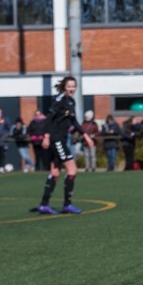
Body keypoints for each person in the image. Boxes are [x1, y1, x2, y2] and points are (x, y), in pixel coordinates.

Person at [31, 76, 93, 215]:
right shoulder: (59, 100)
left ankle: (44, 205)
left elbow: (74, 121)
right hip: (56, 138)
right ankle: (67, 204)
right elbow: (49, 118)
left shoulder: (71, 101)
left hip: (61, 138)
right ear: (64, 87)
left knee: (55, 172)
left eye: (73, 86)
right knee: (72, 169)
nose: (72, 89)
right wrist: (46, 136)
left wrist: (85, 135)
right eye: (69, 86)